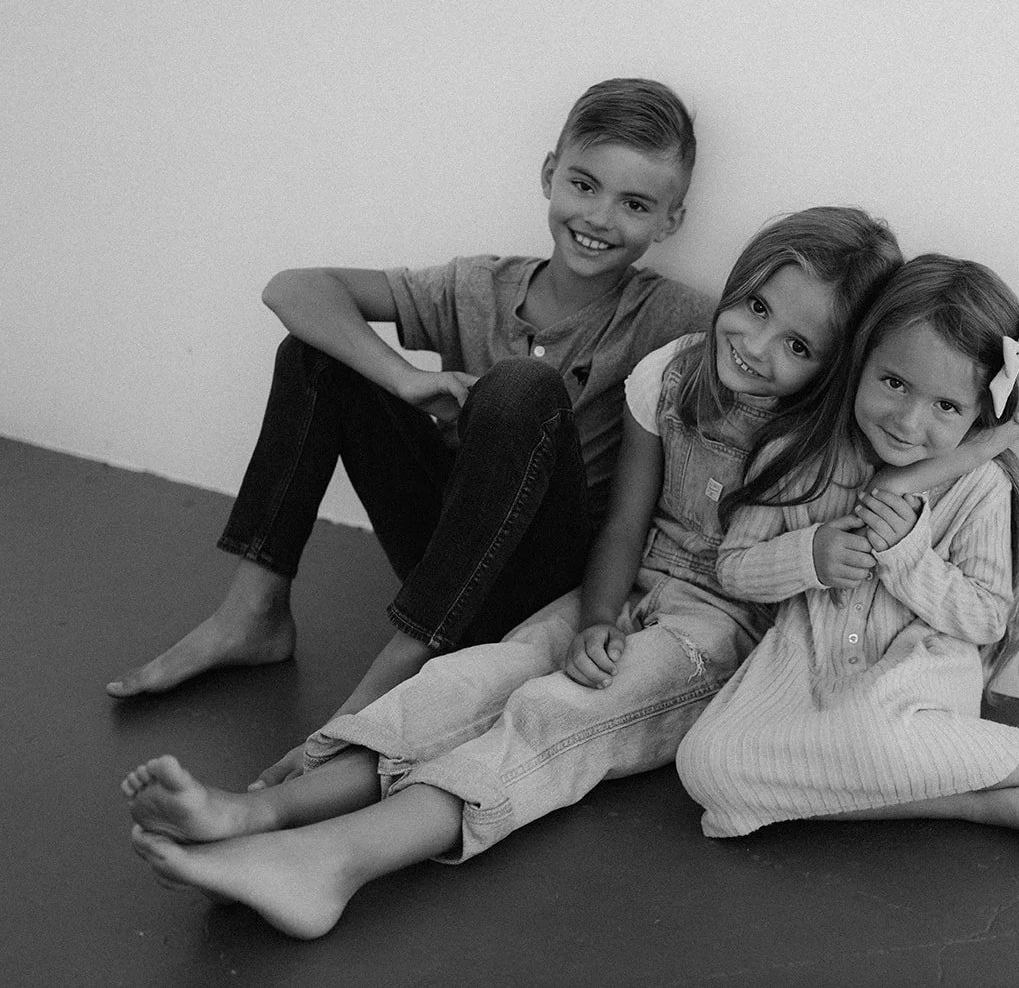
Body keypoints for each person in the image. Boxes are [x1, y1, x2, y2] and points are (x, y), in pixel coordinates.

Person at [121, 206, 913, 939]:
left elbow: (941, 428)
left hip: (713, 635)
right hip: (624, 590)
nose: (759, 345)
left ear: (839, 367)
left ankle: (335, 861)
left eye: (800, 346)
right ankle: (262, 811)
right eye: (758, 309)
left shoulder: (840, 436)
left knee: (548, 717)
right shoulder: (674, 373)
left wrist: (1013, 415)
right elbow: (627, 525)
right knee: (471, 680)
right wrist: (598, 615)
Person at [107, 79, 715, 786]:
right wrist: (402, 377)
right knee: (316, 353)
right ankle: (254, 612)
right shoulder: (476, 285)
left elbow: (770, 355)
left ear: (670, 220)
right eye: (584, 184)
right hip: (442, 548)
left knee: (523, 386)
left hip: (543, 582)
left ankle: (402, 661)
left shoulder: (673, 314)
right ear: (550, 173)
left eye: (635, 204)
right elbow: (293, 288)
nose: (600, 217)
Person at [676, 255, 1019, 863]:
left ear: (980, 411)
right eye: (894, 383)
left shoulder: (980, 488)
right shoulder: (802, 456)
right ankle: (967, 798)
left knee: (879, 738)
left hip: (917, 678)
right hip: (806, 660)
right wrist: (810, 556)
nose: (909, 421)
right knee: (705, 764)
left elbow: (987, 618)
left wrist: (911, 557)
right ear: (861, 362)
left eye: (946, 407)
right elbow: (733, 566)